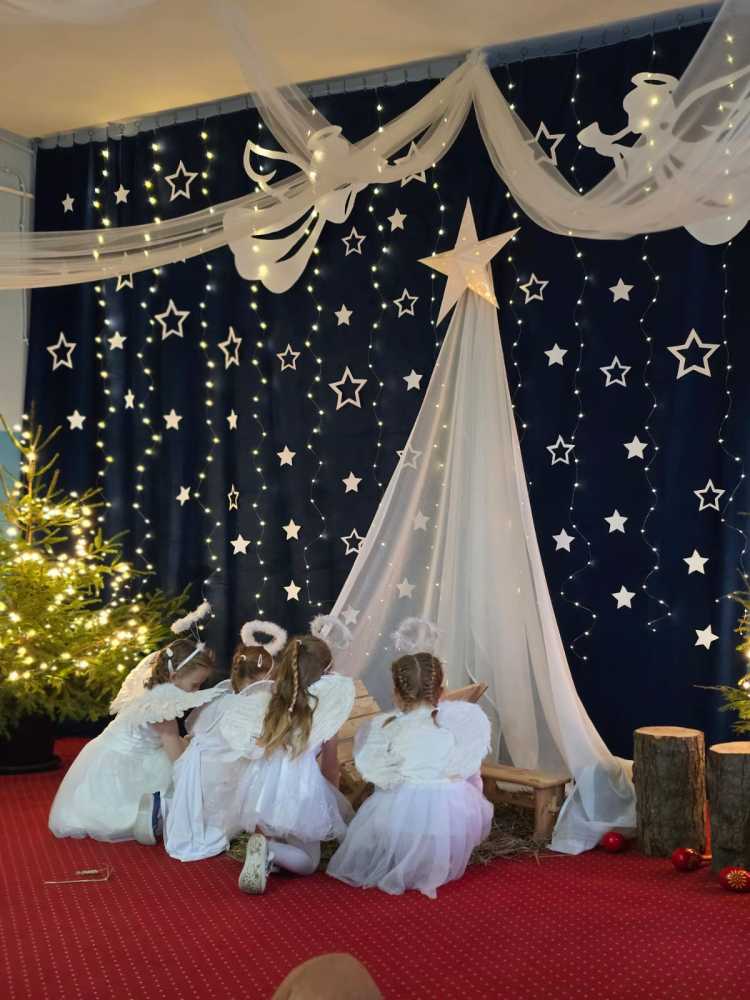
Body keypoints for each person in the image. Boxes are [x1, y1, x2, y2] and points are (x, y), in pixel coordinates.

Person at [327, 650, 493, 899]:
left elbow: (379, 778)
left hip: (398, 823)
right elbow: (465, 772)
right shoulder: (453, 727)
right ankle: (434, 857)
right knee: (463, 787)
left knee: (384, 802)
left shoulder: (384, 727)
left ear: (396, 692)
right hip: (446, 823)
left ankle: (398, 856)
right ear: (440, 690)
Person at [220, 617, 355, 894]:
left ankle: (262, 846)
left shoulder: (270, 702)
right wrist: (329, 806)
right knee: (308, 863)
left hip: (260, 790)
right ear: (326, 672)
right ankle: (270, 851)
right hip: (299, 793)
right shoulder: (325, 711)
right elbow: (331, 767)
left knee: (273, 828)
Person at [48, 638, 218, 844]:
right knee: (184, 776)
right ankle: (156, 810)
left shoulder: (150, 684)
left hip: (104, 755)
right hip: (128, 766)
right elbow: (178, 762)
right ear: (174, 676)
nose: (197, 691)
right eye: (195, 685)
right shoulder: (163, 710)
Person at [163, 620, 286, 862]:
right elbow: (251, 749)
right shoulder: (256, 704)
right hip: (218, 773)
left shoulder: (222, 696)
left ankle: (165, 808)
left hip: (194, 766)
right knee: (261, 765)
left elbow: (193, 726)